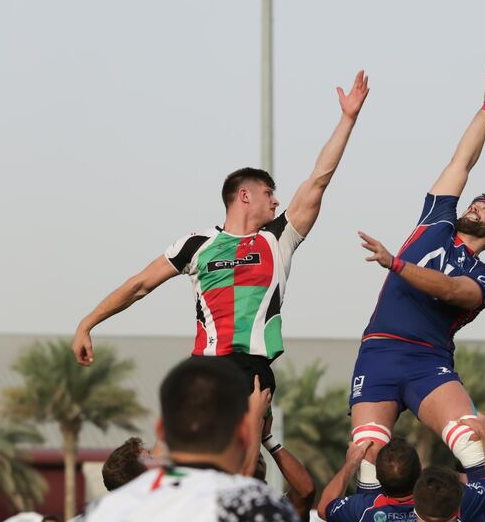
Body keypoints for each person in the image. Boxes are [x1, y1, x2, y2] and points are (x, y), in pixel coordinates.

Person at [71, 71, 371, 394]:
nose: (276, 201)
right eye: (269, 193)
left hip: (252, 371)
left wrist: (347, 119)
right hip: (205, 368)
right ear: (244, 196)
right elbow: (139, 285)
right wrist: (87, 324)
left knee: (242, 444)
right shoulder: (196, 245)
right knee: (175, 442)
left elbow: (318, 180)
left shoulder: (277, 237)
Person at [350, 71, 485, 490]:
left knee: (472, 443)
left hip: (428, 361)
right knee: (369, 459)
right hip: (380, 351)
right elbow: (463, 160)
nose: (474, 207)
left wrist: (396, 264)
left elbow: (450, 289)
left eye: (484, 211)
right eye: (474, 202)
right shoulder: (436, 221)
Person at [83, 357, 298, 521]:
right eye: (149, 455)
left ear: (161, 430)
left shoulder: (102, 512)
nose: (155, 455)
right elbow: (245, 481)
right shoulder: (258, 505)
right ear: (241, 432)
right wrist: (256, 421)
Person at [319, 415, 485, 522]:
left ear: (378, 477)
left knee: (368, 447)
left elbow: (324, 507)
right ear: (419, 472)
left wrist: (351, 463)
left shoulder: (363, 510)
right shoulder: (453, 500)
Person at [254, 415, 315, 521]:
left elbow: (306, 491)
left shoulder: (277, 507)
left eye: (260, 455)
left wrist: (267, 438)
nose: (257, 456)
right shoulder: (225, 503)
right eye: (251, 455)